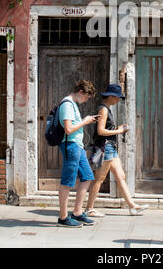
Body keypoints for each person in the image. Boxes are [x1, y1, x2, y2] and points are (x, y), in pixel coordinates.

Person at [85, 84, 148, 217]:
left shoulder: (107, 108)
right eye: (118, 97)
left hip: (111, 147)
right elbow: (100, 131)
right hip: (105, 147)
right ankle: (89, 209)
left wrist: (116, 128)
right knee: (99, 178)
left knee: (121, 176)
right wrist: (119, 130)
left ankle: (132, 206)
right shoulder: (104, 109)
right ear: (111, 97)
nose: (118, 100)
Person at [57, 79, 99, 228]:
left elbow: (72, 125)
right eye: (87, 97)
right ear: (81, 92)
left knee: (87, 176)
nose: (86, 100)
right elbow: (68, 129)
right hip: (71, 146)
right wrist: (85, 121)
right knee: (68, 181)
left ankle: (77, 212)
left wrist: (85, 121)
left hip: (78, 146)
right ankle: (63, 218)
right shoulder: (67, 104)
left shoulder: (72, 104)